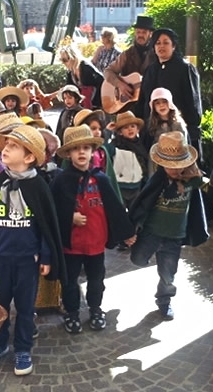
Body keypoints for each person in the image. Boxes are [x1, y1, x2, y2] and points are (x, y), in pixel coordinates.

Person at [0, 125, 66, 375]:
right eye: (5, 145)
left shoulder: (39, 187)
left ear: (29, 157)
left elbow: (45, 226)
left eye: (12, 147)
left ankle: (22, 348)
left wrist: (46, 255)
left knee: (25, 307)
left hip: (26, 262)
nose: (5, 150)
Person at [51, 125, 136, 334]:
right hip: (71, 246)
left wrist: (127, 233)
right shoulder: (61, 180)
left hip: (96, 243)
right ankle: (72, 312)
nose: (81, 152)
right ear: (69, 154)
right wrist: (69, 217)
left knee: (97, 280)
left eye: (86, 148)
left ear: (92, 151)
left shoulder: (101, 179)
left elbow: (115, 208)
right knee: (70, 282)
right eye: (76, 148)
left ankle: (96, 308)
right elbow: (51, 211)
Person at [128, 131, 207, 321]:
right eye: (169, 166)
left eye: (177, 165)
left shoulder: (192, 179)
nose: (173, 170)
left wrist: (193, 172)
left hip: (174, 236)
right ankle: (154, 256)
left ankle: (164, 301)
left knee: (168, 274)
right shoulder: (158, 181)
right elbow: (143, 204)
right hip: (152, 233)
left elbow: (206, 183)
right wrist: (133, 228)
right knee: (137, 260)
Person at [135, 28, 203, 158]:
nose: (161, 46)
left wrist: (190, 132)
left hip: (178, 135)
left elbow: (193, 103)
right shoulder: (150, 70)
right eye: (158, 43)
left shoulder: (185, 68)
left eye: (166, 42)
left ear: (173, 46)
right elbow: (142, 101)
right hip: (153, 134)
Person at [104, 15, 156, 104]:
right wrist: (120, 85)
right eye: (138, 32)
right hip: (129, 104)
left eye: (144, 32)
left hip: (149, 102)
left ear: (150, 34)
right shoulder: (127, 54)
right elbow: (108, 71)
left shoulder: (156, 54)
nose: (140, 35)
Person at [73, 108, 121, 201]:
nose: (98, 132)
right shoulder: (72, 152)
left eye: (99, 129)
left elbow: (109, 176)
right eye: (93, 128)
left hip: (100, 195)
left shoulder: (102, 151)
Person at [106, 111, 149, 211]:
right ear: (120, 132)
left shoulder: (141, 145)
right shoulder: (116, 145)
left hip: (137, 185)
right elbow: (105, 149)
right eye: (125, 127)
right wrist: (107, 132)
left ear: (137, 129)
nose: (130, 129)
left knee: (135, 212)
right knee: (120, 212)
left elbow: (143, 164)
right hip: (120, 186)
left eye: (132, 126)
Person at [147, 87, 187, 176]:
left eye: (164, 101)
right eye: (157, 103)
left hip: (175, 161)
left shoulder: (178, 124)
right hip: (156, 163)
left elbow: (185, 145)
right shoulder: (152, 124)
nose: (161, 105)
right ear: (153, 106)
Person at [59, 44, 104, 109]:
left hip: (96, 103)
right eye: (61, 60)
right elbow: (68, 88)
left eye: (65, 60)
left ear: (73, 57)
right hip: (84, 104)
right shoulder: (70, 71)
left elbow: (101, 80)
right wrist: (51, 96)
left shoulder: (85, 67)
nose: (63, 63)